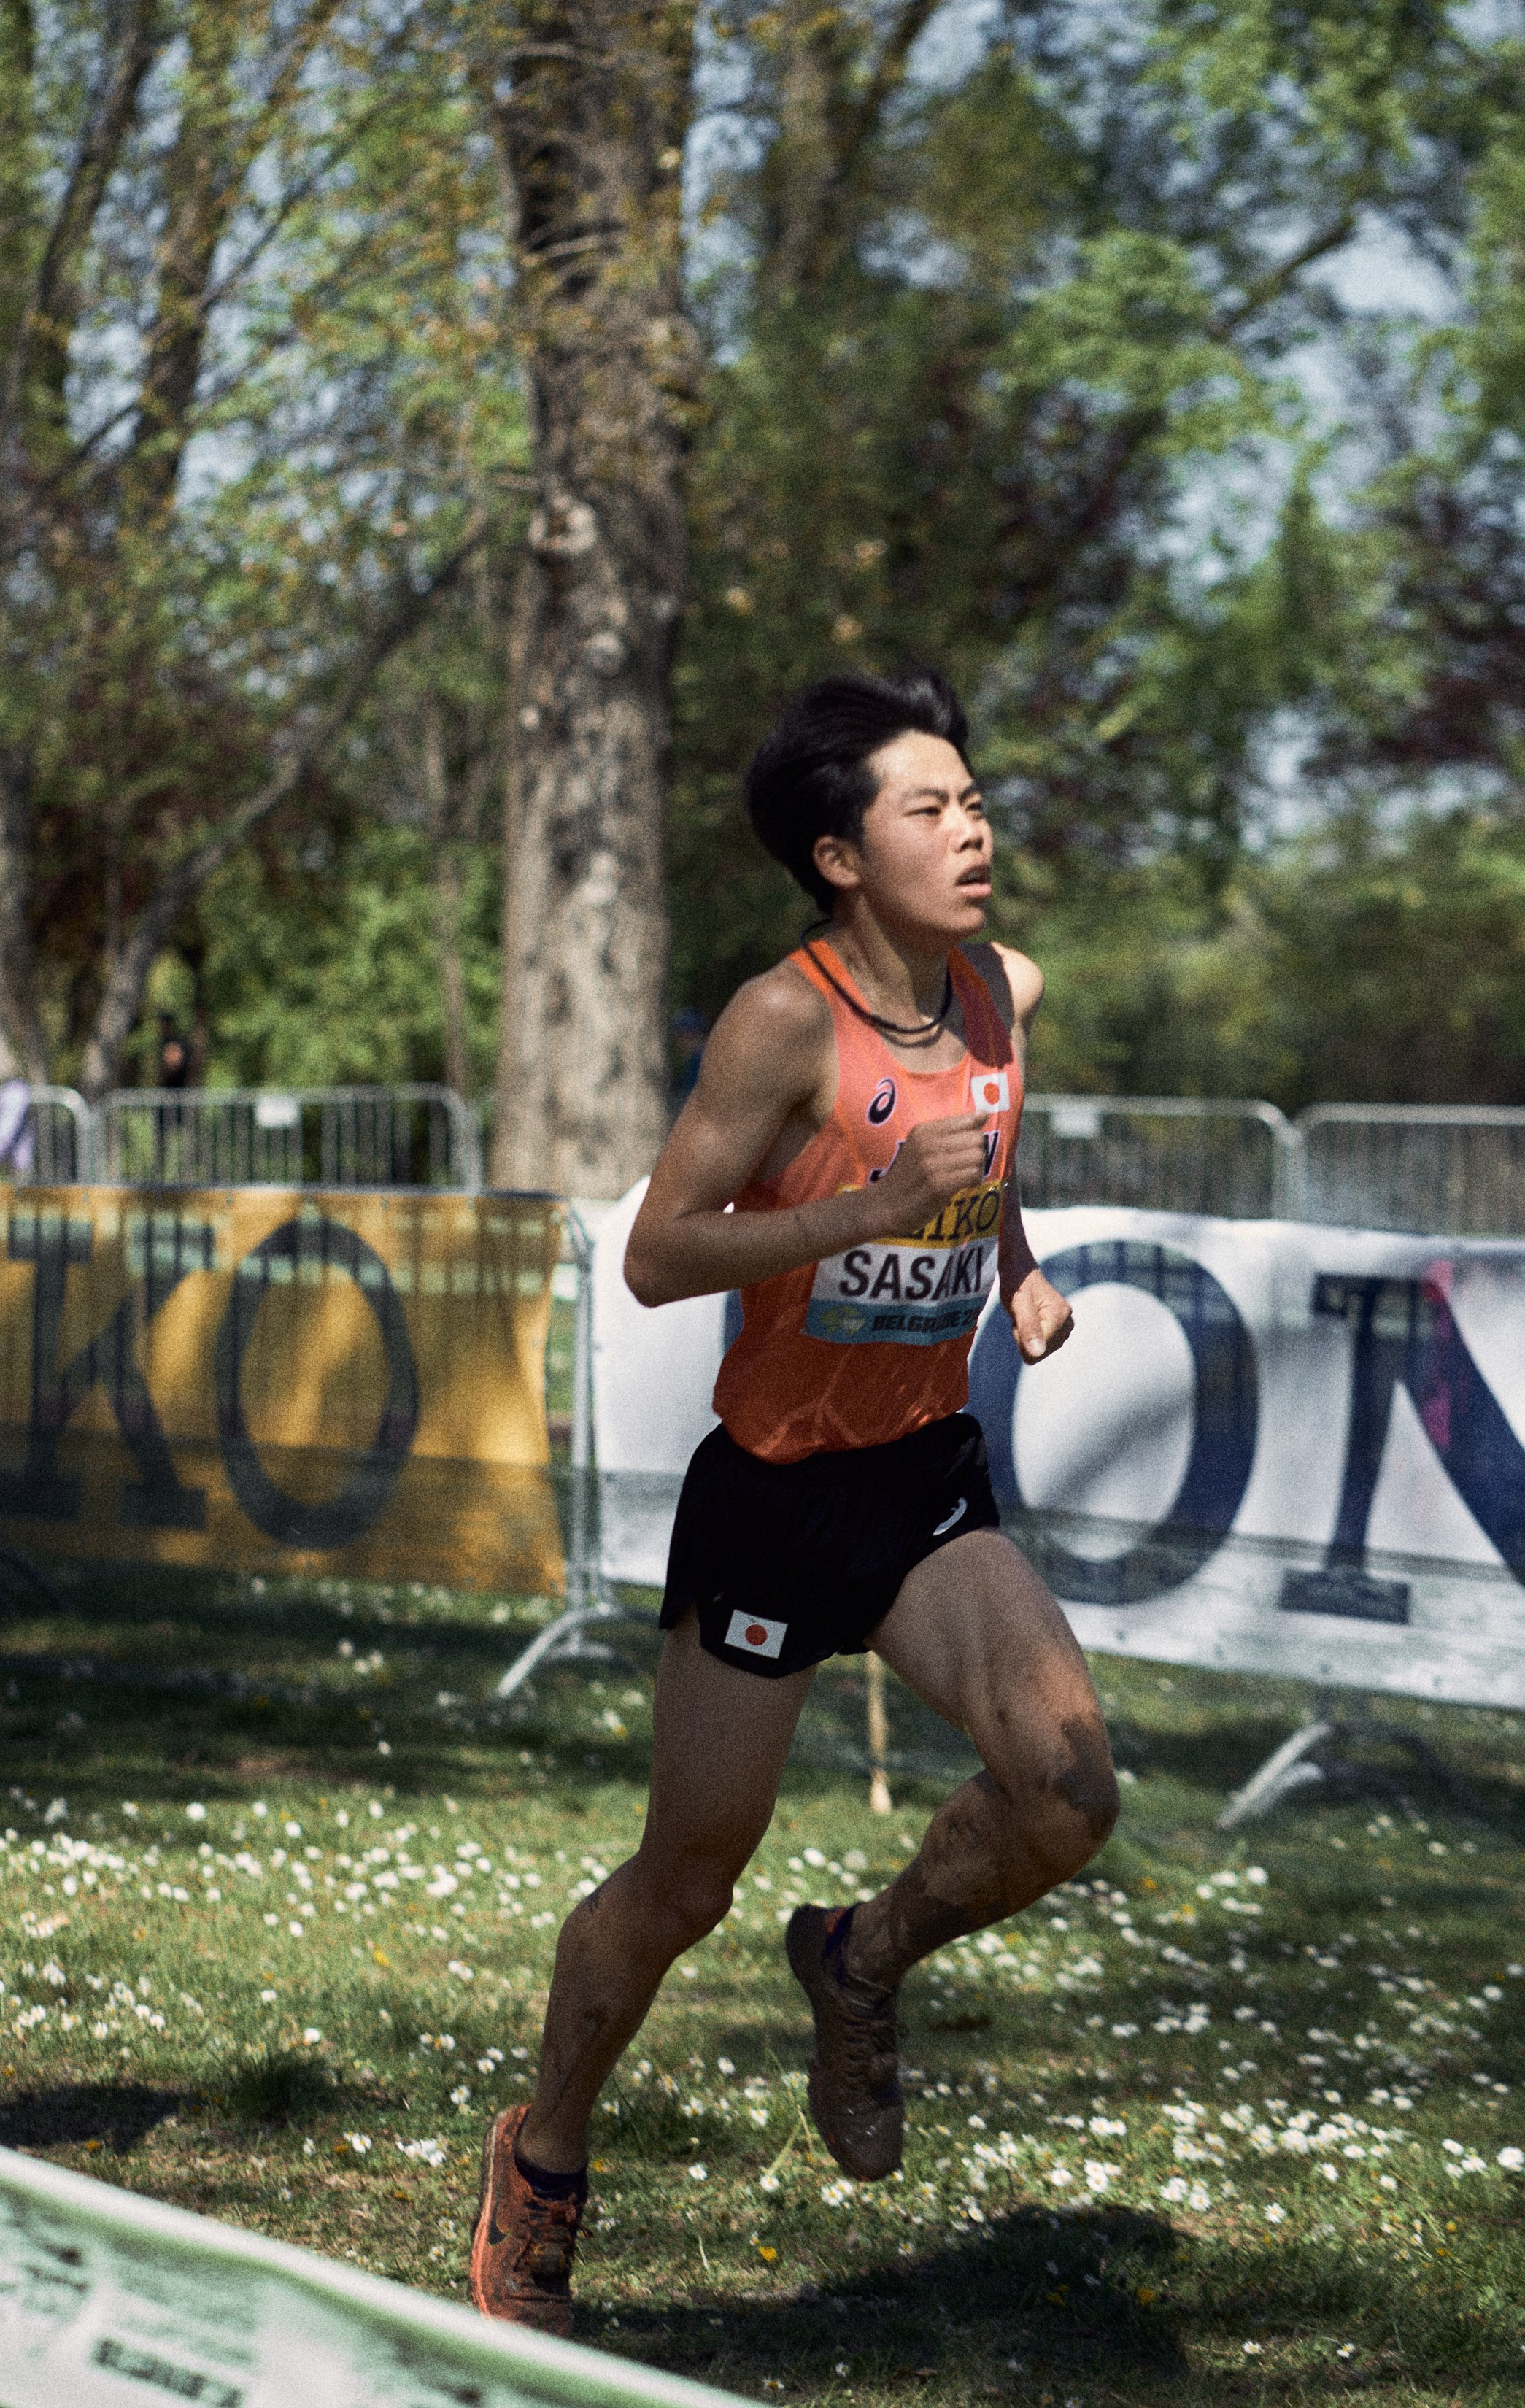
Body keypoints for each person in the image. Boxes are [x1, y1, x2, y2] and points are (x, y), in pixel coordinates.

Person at [471, 668, 1119, 2334]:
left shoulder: (999, 991)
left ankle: (859, 1960)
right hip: (770, 1496)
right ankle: (541, 2160)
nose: (973, 830)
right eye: (932, 807)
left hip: (919, 1485)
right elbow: (658, 1252)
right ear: (841, 856)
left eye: (976, 800)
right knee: (687, 1882)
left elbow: (985, 1148)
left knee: (1066, 1788)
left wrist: (1017, 1268)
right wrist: (868, 1212)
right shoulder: (780, 1023)